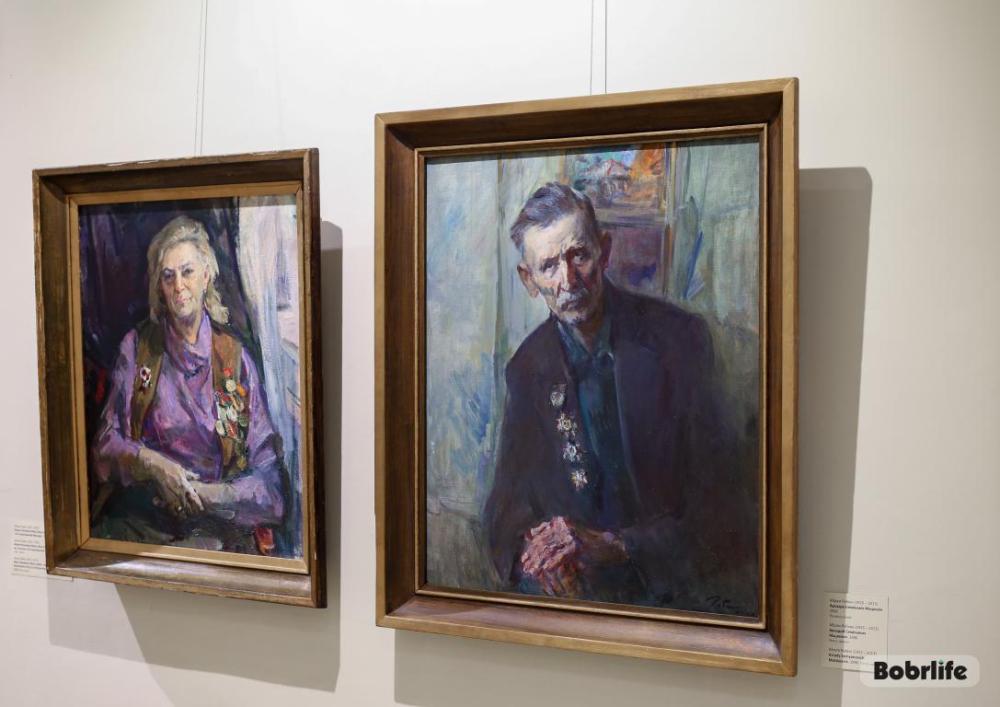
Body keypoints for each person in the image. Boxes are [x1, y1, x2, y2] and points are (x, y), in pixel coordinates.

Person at [484, 183, 757, 613]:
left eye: (579, 255)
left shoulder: (679, 341)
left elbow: (726, 516)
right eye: (549, 266)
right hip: (575, 603)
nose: (568, 281)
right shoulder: (526, 368)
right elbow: (503, 518)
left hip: (675, 596)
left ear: (605, 251)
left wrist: (616, 546)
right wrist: (534, 553)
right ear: (528, 279)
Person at [91, 215, 285, 555]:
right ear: (160, 287)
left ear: (206, 275)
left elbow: (270, 489)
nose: (179, 285)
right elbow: (105, 448)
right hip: (146, 522)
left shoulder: (235, 359)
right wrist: (154, 465)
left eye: (188, 272)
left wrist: (206, 496)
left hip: (216, 525)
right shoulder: (137, 349)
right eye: (168, 276)